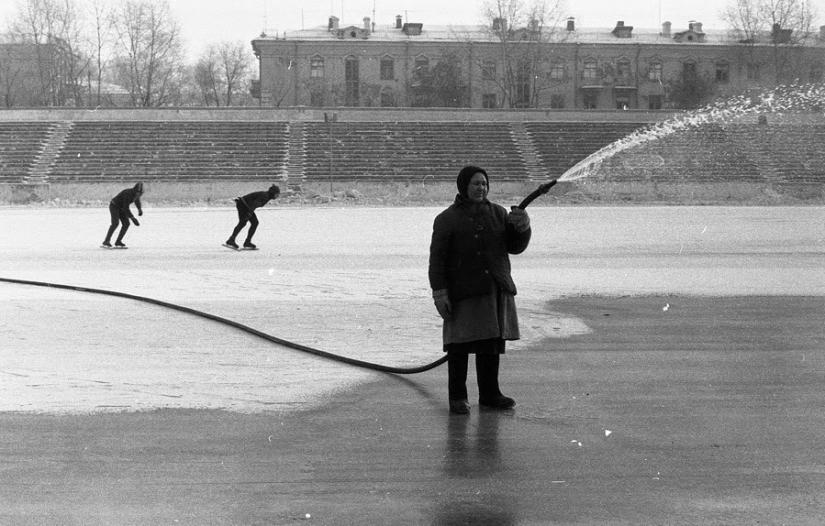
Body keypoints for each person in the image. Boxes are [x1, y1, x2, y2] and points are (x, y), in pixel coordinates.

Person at [428, 166, 532, 415]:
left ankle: (490, 394)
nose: (481, 188)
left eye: (484, 184)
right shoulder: (446, 219)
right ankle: (458, 397)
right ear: (464, 186)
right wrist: (439, 292)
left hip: (493, 288)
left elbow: (515, 247)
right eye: (476, 184)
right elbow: (437, 260)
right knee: (459, 346)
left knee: (490, 344)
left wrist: (523, 227)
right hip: (462, 292)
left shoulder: (498, 213)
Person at [225, 184, 280, 249]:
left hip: (245, 205)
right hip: (243, 205)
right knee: (245, 222)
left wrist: (249, 213)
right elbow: (254, 205)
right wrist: (248, 214)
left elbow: (253, 205)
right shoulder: (265, 196)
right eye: (277, 194)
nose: (278, 196)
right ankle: (232, 240)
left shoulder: (266, 196)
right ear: (273, 193)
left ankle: (246, 242)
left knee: (254, 222)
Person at [103, 182, 144, 248]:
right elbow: (126, 208)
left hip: (121, 208)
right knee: (115, 223)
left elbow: (136, 200)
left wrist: (139, 209)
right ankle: (106, 241)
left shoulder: (136, 195)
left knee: (126, 223)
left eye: (140, 194)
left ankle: (118, 241)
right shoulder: (128, 193)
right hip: (115, 206)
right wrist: (133, 218)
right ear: (135, 191)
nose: (139, 195)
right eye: (138, 194)